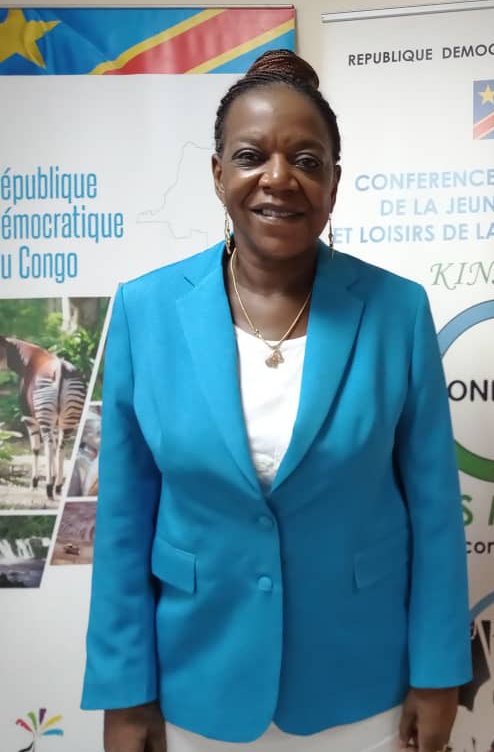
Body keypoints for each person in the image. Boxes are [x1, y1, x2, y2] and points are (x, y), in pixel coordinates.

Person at [81, 50, 471, 752]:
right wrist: (124, 693)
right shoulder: (146, 310)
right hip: (197, 681)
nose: (279, 178)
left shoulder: (397, 310)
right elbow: (122, 523)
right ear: (217, 173)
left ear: (334, 182)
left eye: (307, 161)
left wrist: (439, 674)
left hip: (361, 681)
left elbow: (436, 513)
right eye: (251, 156)